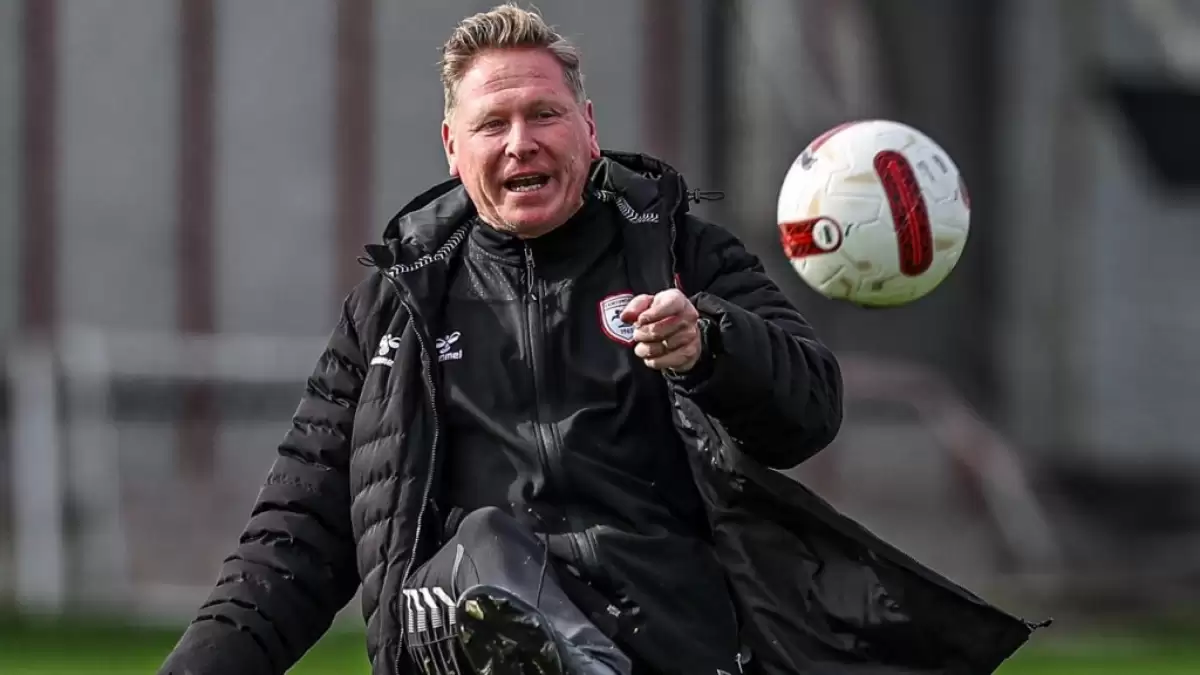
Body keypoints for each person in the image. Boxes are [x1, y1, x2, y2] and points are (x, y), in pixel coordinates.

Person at [159, 5, 1039, 675]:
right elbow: (295, 535)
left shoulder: (681, 254)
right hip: (470, 644)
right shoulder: (395, 308)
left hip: (674, 646)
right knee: (474, 562)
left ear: (588, 126)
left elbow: (810, 409)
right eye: (492, 125)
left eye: (543, 115)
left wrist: (712, 346)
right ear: (452, 148)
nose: (520, 143)